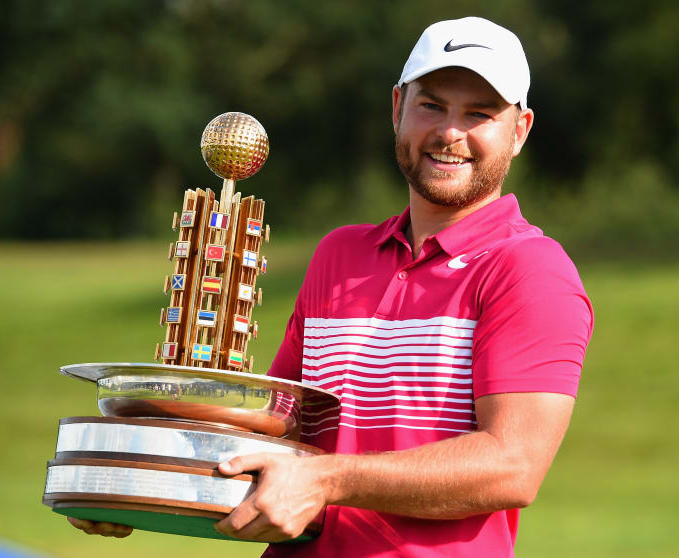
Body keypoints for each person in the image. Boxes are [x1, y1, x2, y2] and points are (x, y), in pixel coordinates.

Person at [70, 16, 593, 557]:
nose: (449, 133)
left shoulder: (529, 270)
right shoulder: (339, 255)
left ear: (520, 130)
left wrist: (328, 479)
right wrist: (137, 478)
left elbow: (512, 466)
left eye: (479, 114)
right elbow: (277, 435)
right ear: (397, 109)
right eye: (431, 105)